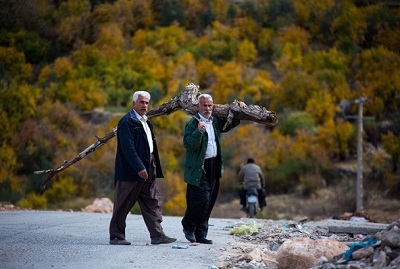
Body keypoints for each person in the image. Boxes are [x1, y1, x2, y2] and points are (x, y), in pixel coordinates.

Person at [109, 91, 176, 245]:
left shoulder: (146, 121)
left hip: (148, 166)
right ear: (134, 103)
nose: (144, 105)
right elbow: (128, 148)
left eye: (146, 103)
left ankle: (157, 235)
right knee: (123, 203)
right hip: (131, 170)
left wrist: (150, 166)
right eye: (141, 102)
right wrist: (139, 167)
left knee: (152, 200)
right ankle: (116, 236)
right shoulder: (127, 122)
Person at [181, 94, 246, 244]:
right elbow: (188, 144)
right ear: (198, 106)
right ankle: (188, 226)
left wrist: (240, 111)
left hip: (213, 166)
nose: (207, 108)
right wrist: (198, 132)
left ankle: (201, 234)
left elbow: (229, 124)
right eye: (204, 105)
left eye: (210, 106)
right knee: (201, 200)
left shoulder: (214, 121)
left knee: (209, 201)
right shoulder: (193, 123)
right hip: (199, 168)